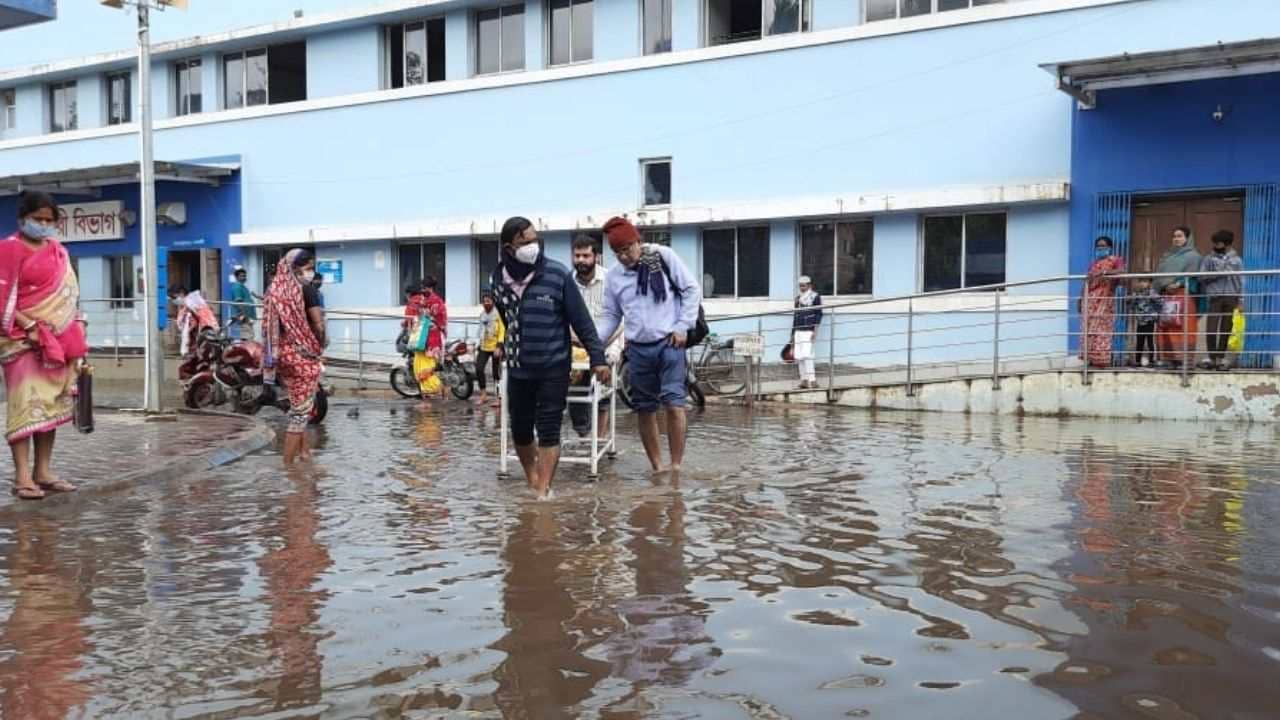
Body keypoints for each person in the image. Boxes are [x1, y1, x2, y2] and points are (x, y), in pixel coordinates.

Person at [489, 216, 608, 499]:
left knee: (549, 427)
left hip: (554, 366)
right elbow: (508, 318)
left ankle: (543, 493)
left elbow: (581, 320)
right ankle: (533, 478)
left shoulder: (557, 274)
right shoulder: (497, 279)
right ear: (509, 247)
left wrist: (598, 358)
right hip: (519, 366)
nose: (534, 245)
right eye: (525, 241)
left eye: (535, 239)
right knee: (520, 429)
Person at [0, 192, 88, 500]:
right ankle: (22, 477)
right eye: (37, 218)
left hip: (59, 340)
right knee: (26, 405)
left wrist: (75, 327)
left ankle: (43, 471)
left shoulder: (58, 251)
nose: (43, 224)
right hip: (21, 341)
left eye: (49, 220)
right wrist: (29, 327)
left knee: (51, 404)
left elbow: (69, 294)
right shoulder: (8, 248)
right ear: (22, 218)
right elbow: (2, 297)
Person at [597, 216, 701, 473]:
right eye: (618, 252)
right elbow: (611, 315)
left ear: (638, 241)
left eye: (627, 249)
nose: (624, 256)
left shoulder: (663, 257)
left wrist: (682, 326)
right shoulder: (614, 277)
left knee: (674, 404)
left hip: (670, 344)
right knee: (644, 409)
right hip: (638, 349)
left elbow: (691, 289)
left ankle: (675, 466)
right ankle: (657, 467)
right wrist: (594, 343)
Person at [262, 249, 327, 465]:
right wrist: (319, 346)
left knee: (299, 404)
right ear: (296, 268)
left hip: (281, 356)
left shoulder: (274, 290)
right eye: (308, 268)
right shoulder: (305, 290)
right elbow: (318, 325)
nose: (310, 272)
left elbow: (269, 326)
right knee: (300, 413)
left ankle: (305, 453)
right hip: (302, 356)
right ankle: (288, 466)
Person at [569, 234, 623, 439]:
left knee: (603, 395)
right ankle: (583, 433)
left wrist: (606, 347)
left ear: (596, 257)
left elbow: (621, 319)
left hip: (607, 344)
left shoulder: (611, 280)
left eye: (586, 255)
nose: (581, 260)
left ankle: (599, 440)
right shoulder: (567, 282)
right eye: (577, 256)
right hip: (576, 346)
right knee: (576, 395)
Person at [1153, 225, 1202, 368]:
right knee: (1166, 326)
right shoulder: (1167, 257)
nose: (1176, 239)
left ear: (1188, 238)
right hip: (1167, 295)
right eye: (1174, 236)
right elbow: (1159, 277)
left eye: (1180, 236)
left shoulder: (1194, 257)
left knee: (1184, 326)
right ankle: (1168, 359)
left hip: (1184, 295)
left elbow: (1195, 276)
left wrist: (1178, 283)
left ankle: (1185, 360)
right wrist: (1165, 286)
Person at [1199, 230, 1244, 370]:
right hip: (1215, 297)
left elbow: (1242, 281)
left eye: (1218, 243)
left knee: (1226, 328)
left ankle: (1220, 358)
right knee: (1211, 328)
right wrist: (1218, 273)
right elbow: (1201, 277)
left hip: (1231, 296)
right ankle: (1212, 358)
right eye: (1215, 243)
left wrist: (1241, 300)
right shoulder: (1208, 259)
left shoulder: (1237, 260)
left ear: (1227, 244)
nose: (1216, 246)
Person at [1081, 236, 1125, 368]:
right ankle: (1089, 359)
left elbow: (1121, 271)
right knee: (1088, 330)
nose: (1100, 248)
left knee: (1102, 331)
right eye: (1098, 246)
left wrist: (1104, 272)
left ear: (1110, 247)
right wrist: (1080, 299)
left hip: (1105, 302)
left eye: (1103, 246)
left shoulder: (1115, 260)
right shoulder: (1093, 264)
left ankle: (1101, 360)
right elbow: (1087, 282)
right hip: (1090, 301)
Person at [407, 276, 447, 402]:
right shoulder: (422, 301)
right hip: (420, 339)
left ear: (431, 288)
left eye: (425, 288)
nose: (423, 290)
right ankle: (426, 399)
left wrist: (425, 314)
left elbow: (439, 320)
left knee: (426, 370)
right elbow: (417, 316)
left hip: (432, 339)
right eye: (422, 287)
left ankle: (439, 392)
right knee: (417, 367)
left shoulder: (437, 301)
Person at [169, 284, 219, 357]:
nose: (173, 300)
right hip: (202, 333)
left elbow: (194, 321)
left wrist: (189, 331)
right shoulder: (191, 301)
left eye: (174, 297)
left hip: (200, 334)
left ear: (181, 293)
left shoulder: (191, 302)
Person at [792, 275, 823, 388]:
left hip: (808, 330)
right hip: (798, 330)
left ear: (809, 285)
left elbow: (818, 314)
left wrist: (815, 330)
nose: (802, 288)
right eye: (800, 286)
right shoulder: (797, 299)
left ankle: (812, 380)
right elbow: (795, 316)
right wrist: (792, 334)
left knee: (808, 355)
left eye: (804, 286)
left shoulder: (815, 297)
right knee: (799, 356)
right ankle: (804, 380)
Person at [475, 289, 505, 406]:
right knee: (479, 369)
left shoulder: (498, 314)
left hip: (496, 347)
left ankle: (499, 398)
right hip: (484, 346)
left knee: (496, 373)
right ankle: (483, 395)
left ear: (493, 302)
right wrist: (477, 344)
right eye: (484, 301)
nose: (486, 303)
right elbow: (480, 330)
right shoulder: (482, 315)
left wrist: (499, 346)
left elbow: (502, 330)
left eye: (488, 301)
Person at [1127, 276, 1161, 368]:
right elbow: (1132, 306)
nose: (1142, 284)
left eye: (1145, 281)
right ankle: (1138, 361)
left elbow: (1160, 302)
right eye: (1141, 281)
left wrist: (1156, 314)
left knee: (1150, 341)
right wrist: (1130, 300)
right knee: (1139, 341)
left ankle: (1151, 361)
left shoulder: (1152, 293)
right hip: (1140, 321)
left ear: (1150, 283)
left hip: (1149, 320)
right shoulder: (1137, 294)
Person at [227, 265, 257, 339]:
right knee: (247, 337)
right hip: (245, 317)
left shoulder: (242, 287)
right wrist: (245, 316)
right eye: (241, 276)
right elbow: (239, 302)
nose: (244, 278)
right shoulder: (237, 287)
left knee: (249, 335)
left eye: (244, 276)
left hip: (247, 317)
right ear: (236, 277)